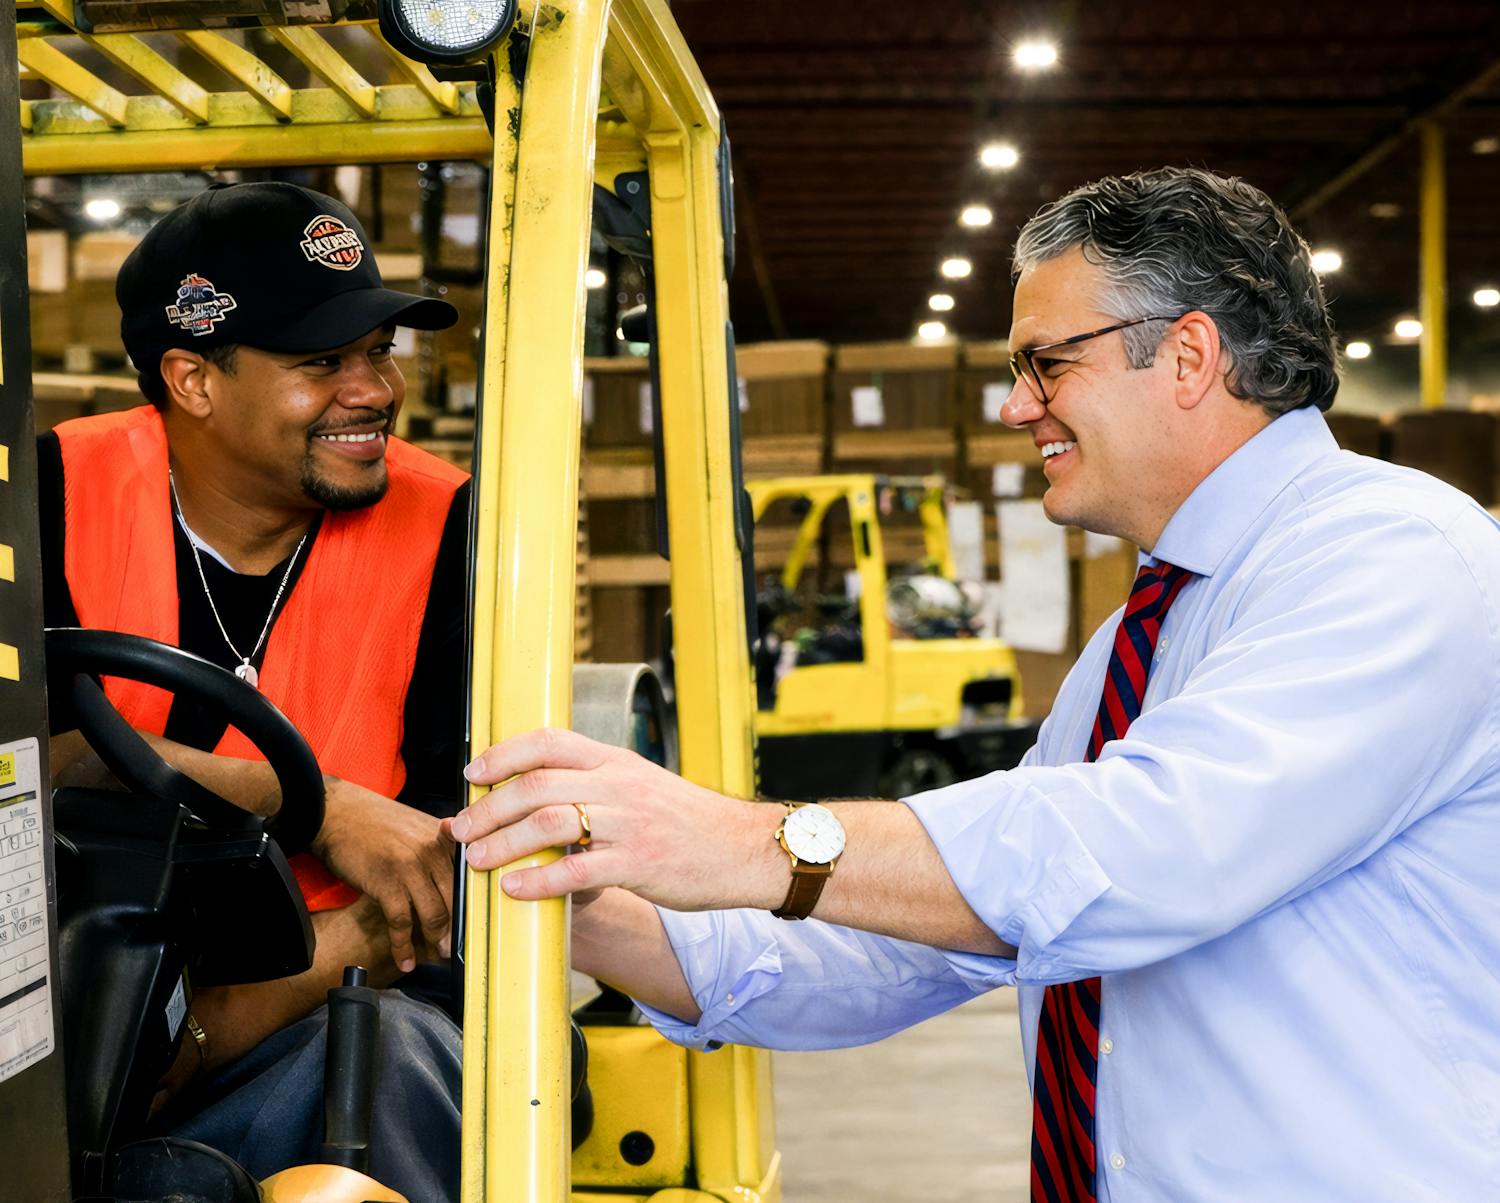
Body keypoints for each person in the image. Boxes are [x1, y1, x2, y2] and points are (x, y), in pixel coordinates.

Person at [448, 167, 1500, 1200]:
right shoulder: (1142, 640)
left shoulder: (1395, 557)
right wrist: (571, 907)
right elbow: (902, 950)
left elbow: (1145, 852)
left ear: (1187, 355)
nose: (1013, 405)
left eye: (1045, 362)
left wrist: (738, 837)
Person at [40, 181, 467, 1201]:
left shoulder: (454, 528)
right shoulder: (46, 497)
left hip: (340, 996)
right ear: (191, 379)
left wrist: (219, 1022)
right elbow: (28, 761)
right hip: (76, 998)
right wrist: (311, 803)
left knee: (388, 1066)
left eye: (378, 352)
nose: (374, 390)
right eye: (323, 363)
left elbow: (452, 871)